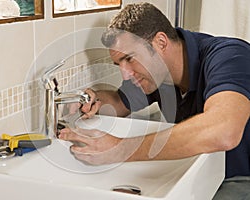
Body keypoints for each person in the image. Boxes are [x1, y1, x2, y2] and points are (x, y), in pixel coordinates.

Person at [58, 2, 250, 199]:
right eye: (119, 64)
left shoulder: (230, 56)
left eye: (130, 59)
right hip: (207, 174)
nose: (125, 75)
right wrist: (93, 99)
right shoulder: (155, 74)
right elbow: (119, 102)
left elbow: (224, 130)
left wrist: (121, 149)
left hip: (242, 179)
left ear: (161, 42)